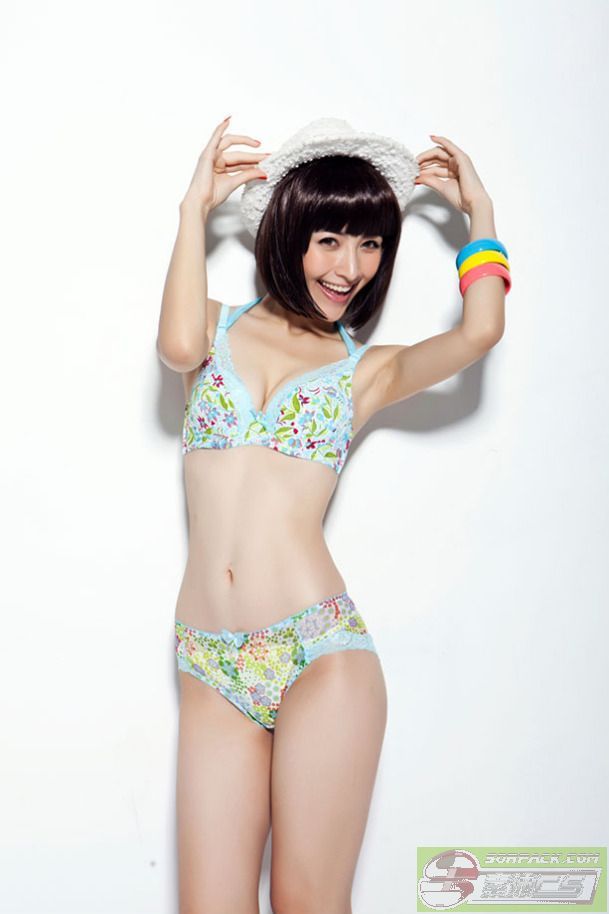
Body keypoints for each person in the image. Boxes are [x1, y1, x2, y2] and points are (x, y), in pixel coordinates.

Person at [157, 115, 507, 914]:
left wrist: (479, 214)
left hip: (319, 654)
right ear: (288, 236)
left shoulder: (366, 372)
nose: (350, 267)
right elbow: (176, 348)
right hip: (208, 661)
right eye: (328, 241)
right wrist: (191, 210)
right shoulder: (210, 327)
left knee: (307, 899)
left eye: (370, 244)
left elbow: (481, 329)